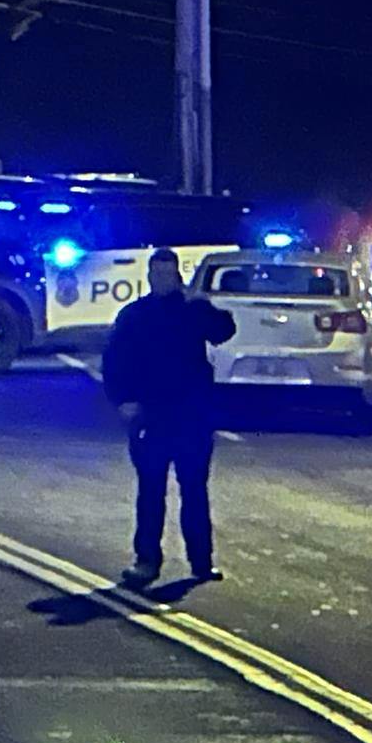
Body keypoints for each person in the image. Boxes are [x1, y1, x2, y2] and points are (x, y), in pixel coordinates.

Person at [101, 248, 237, 589]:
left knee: (194, 490)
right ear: (149, 277)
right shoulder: (134, 316)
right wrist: (123, 401)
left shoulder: (192, 311)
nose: (162, 280)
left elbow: (223, 330)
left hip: (191, 415)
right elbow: (115, 362)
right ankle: (146, 560)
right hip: (151, 415)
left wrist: (204, 304)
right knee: (151, 491)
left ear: (176, 276)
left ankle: (201, 561)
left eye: (167, 274)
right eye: (156, 274)